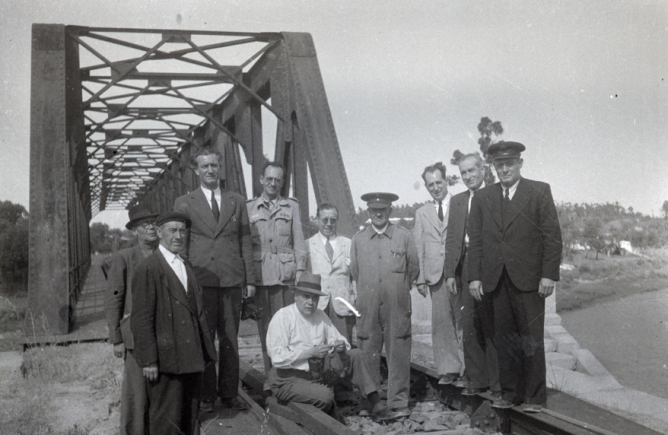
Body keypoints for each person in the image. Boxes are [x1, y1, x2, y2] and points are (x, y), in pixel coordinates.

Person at [467, 141, 562, 413]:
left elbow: (552, 238)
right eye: (500, 164)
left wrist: (548, 275)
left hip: (530, 280)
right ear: (493, 168)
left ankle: (534, 397)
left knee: (531, 337)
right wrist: (475, 277)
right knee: (504, 336)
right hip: (495, 279)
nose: (505, 169)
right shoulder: (484, 198)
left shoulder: (539, 192)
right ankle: (510, 393)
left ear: (520, 163)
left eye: (510, 163)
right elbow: (476, 242)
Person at [173, 147, 254, 412]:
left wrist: (249, 279)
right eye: (205, 166)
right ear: (197, 170)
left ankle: (229, 394)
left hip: (231, 279)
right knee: (204, 338)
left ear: (221, 168)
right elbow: (181, 244)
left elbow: (245, 241)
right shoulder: (185, 202)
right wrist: (184, 279)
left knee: (230, 339)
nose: (210, 170)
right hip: (201, 279)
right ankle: (207, 396)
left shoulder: (236, 200)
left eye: (214, 165)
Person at [131, 211, 217, 435]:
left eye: (182, 231)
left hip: (190, 359)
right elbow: (141, 319)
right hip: (166, 361)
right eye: (172, 230)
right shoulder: (148, 268)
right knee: (166, 421)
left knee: (189, 418)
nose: (178, 236)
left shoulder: (186, 265)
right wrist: (149, 359)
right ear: (159, 233)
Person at [350, 192, 419, 418]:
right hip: (368, 306)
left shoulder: (404, 236)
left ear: (390, 211)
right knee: (367, 351)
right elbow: (356, 273)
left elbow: (413, 270)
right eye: (373, 211)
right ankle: (369, 402)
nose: (378, 214)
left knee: (398, 350)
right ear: (368, 212)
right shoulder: (358, 240)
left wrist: (394, 291)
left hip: (396, 306)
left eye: (383, 210)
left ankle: (398, 401)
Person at [444, 154, 500, 397]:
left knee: (494, 322)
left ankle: (498, 381)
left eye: (471, 171)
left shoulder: (497, 195)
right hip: (466, 266)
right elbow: (452, 240)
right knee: (470, 324)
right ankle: (477, 378)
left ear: (483, 170)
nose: (467, 177)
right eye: (463, 173)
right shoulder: (457, 201)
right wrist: (450, 273)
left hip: (492, 265)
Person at [247, 162, 307, 373]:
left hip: (285, 277)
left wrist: (300, 271)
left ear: (282, 183)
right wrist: (248, 278)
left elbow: (299, 240)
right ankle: (271, 377)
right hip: (261, 277)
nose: (273, 183)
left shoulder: (292, 207)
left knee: (288, 328)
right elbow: (245, 246)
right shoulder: (249, 208)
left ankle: (288, 376)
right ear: (262, 180)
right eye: (269, 179)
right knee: (266, 330)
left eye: (277, 180)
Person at [104, 205, 159, 435]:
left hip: (163, 334)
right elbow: (114, 299)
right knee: (136, 393)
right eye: (144, 225)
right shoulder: (125, 258)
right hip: (135, 337)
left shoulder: (166, 254)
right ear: (135, 231)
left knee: (159, 392)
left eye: (154, 223)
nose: (150, 228)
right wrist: (117, 338)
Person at [413, 162, 463, 385]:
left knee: (464, 322)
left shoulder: (461, 204)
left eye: (439, 182)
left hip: (460, 271)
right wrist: (420, 278)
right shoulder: (422, 213)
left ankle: (470, 369)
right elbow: (419, 246)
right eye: (430, 184)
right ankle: (449, 369)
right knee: (442, 323)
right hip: (435, 275)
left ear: (447, 181)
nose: (435, 187)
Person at [305, 203, 356, 343]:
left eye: (333, 220)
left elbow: (355, 276)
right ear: (316, 220)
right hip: (318, 303)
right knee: (318, 343)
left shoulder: (348, 244)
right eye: (324, 220)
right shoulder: (308, 245)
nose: (329, 224)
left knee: (342, 344)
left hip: (342, 303)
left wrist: (354, 297)